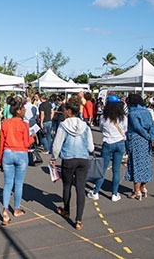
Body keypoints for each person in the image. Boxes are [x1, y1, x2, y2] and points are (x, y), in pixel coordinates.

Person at [50, 95, 94, 230]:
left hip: (68, 159)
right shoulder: (85, 126)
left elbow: (57, 145)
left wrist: (53, 158)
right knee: (80, 188)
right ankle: (79, 220)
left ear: (68, 110)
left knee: (67, 186)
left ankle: (67, 210)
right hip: (83, 159)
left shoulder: (63, 125)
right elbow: (91, 147)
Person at [0, 98, 32, 226]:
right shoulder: (24, 125)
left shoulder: (5, 123)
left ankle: (5, 210)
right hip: (21, 153)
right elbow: (26, 143)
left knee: (7, 183)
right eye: (23, 109)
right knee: (18, 183)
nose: (25, 111)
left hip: (7, 153)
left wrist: (0, 159)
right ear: (18, 111)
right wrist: (32, 138)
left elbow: (1, 143)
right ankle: (16, 208)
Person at [87, 95, 127, 202]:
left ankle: (96, 191)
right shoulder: (123, 118)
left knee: (102, 169)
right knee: (116, 170)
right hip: (120, 143)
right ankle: (114, 193)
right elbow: (125, 129)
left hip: (108, 143)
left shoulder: (103, 118)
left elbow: (101, 128)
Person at [124, 94, 154, 200]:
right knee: (145, 163)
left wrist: (147, 136)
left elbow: (137, 128)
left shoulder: (132, 113)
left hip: (136, 140)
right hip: (146, 141)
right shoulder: (147, 112)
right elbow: (152, 125)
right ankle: (144, 187)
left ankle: (136, 190)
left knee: (136, 164)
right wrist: (151, 137)